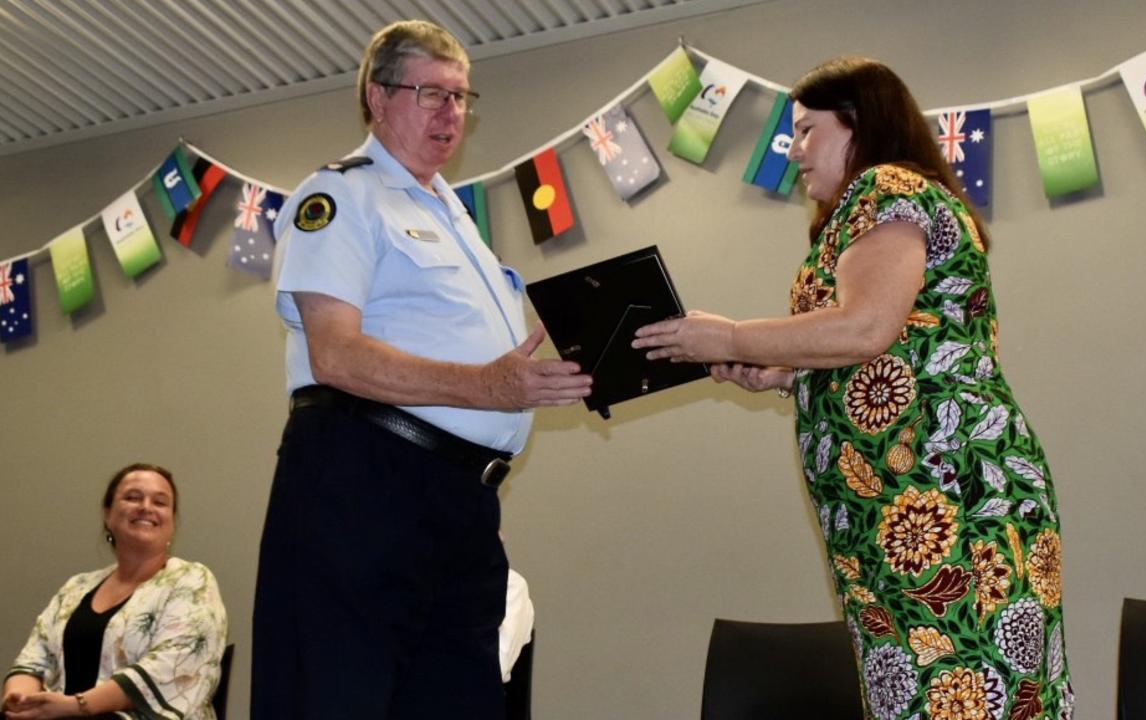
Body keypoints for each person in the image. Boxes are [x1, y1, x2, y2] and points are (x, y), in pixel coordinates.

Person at [634, 56, 1073, 719]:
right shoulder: (857, 214)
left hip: (950, 505)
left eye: (808, 130)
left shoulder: (888, 188)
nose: (796, 150)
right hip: (898, 514)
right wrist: (787, 373)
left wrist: (728, 338)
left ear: (859, 124)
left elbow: (865, 326)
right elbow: (882, 345)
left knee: (962, 698)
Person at [252, 20, 592, 719]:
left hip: (458, 502)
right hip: (365, 481)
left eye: (463, 97)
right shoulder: (341, 195)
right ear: (377, 97)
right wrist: (488, 388)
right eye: (431, 93)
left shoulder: (454, 216)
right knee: (342, 696)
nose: (452, 114)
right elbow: (335, 354)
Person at [3, 463, 227, 720]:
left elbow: (169, 668)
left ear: (172, 522)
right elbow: (34, 659)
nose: (146, 506)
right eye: (133, 497)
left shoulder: (192, 580)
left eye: (160, 502)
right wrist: (20, 700)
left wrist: (75, 706)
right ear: (108, 515)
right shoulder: (76, 587)